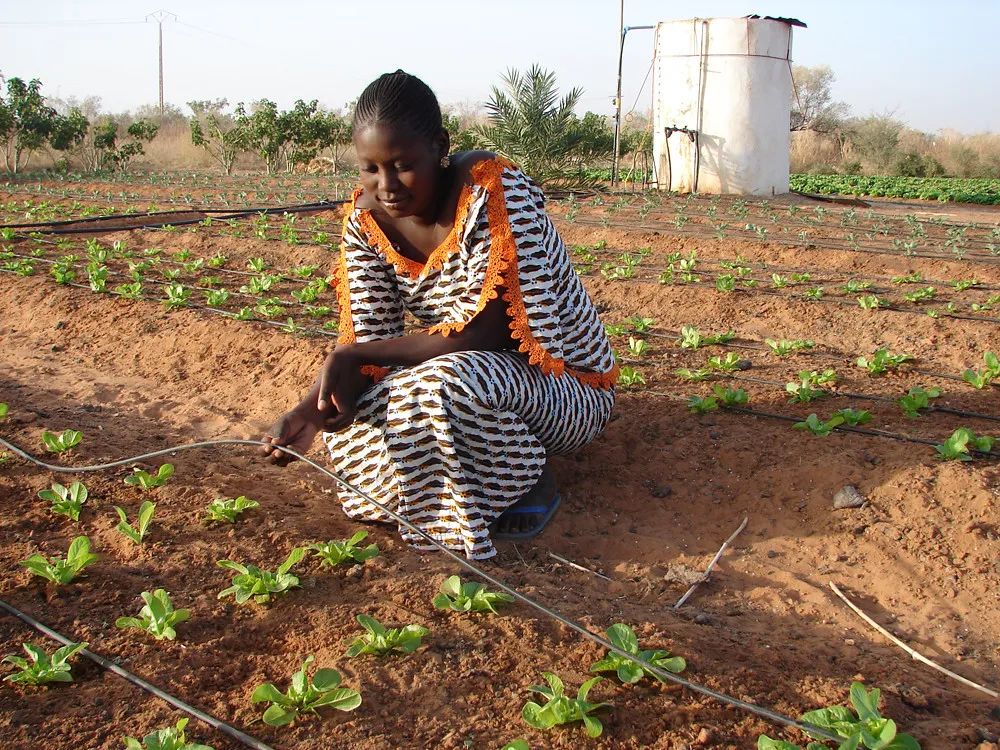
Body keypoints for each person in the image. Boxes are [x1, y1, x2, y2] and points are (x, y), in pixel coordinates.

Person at [262, 70, 617, 560]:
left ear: (440, 147)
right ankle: (468, 483)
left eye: (402, 166)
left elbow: (493, 331)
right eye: (370, 169)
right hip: (467, 371)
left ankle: (529, 477)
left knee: (445, 384)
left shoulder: (494, 191)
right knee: (359, 421)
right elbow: (367, 341)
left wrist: (356, 356)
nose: (387, 185)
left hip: (564, 389)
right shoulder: (366, 222)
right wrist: (312, 409)